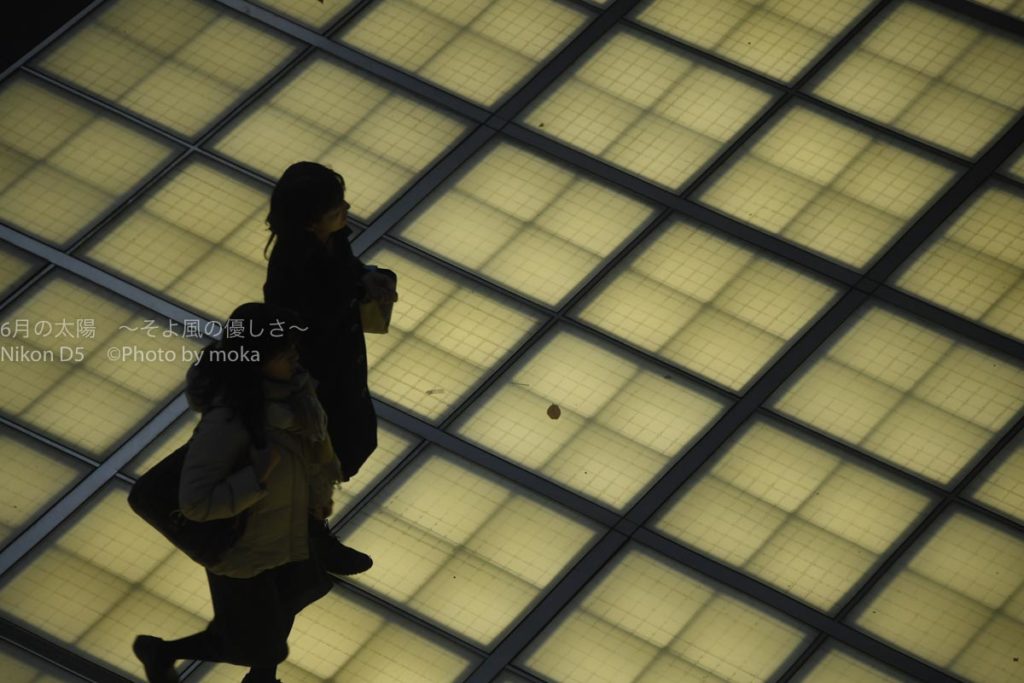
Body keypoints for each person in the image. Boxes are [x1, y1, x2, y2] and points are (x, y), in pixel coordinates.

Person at [132, 303, 341, 683]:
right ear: (257, 361)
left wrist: (315, 494)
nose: (295, 359)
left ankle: (184, 657)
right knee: (259, 643)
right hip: (245, 549)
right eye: (284, 354)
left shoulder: (293, 396)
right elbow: (195, 503)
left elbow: (305, 454)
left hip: (281, 531)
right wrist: (257, 477)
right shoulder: (230, 421)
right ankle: (164, 652)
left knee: (296, 595)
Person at [262, 161, 397, 575]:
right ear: (309, 220)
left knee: (350, 445)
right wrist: (356, 291)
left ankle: (307, 531)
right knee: (329, 453)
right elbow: (308, 322)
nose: (346, 210)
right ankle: (305, 535)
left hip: (339, 370)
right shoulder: (293, 268)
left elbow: (346, 272)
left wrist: (366, 278)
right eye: (336, 207)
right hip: (319, 379)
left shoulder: (330, 243)